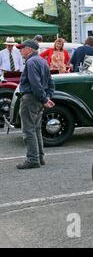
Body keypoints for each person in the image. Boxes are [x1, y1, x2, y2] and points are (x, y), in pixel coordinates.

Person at [15, 40, 55, 170]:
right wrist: (46, 97)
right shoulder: (42, 61)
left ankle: (33, 159)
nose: (21, 50)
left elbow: (35, 84)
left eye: (22, 48)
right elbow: (50, 83)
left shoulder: (31, 62)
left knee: (29, 130)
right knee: (36, 129)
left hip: (31, 98)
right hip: (38, 99)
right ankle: (39, 157)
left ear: (30, 49)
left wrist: (44, 98)